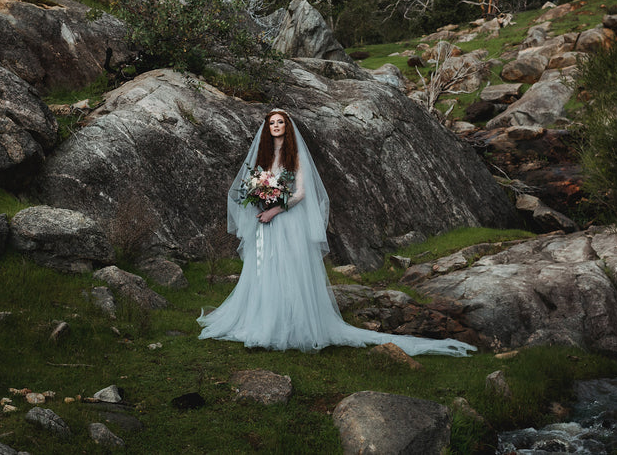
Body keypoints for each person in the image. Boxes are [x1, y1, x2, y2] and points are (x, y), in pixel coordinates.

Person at [197, 109, 476, 356]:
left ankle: (292, 326)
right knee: (265, 271)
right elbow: (254, 185)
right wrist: (261, 199)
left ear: (288, 126)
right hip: (266, 223)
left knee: (289, 271)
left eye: (280, 122)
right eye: (272, 123)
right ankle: (261, 321)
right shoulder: (264, 156)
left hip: (286, 222)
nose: (276, 126)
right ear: (267, 128)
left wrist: (275, 209)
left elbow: (302, 193)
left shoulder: (296, 156)